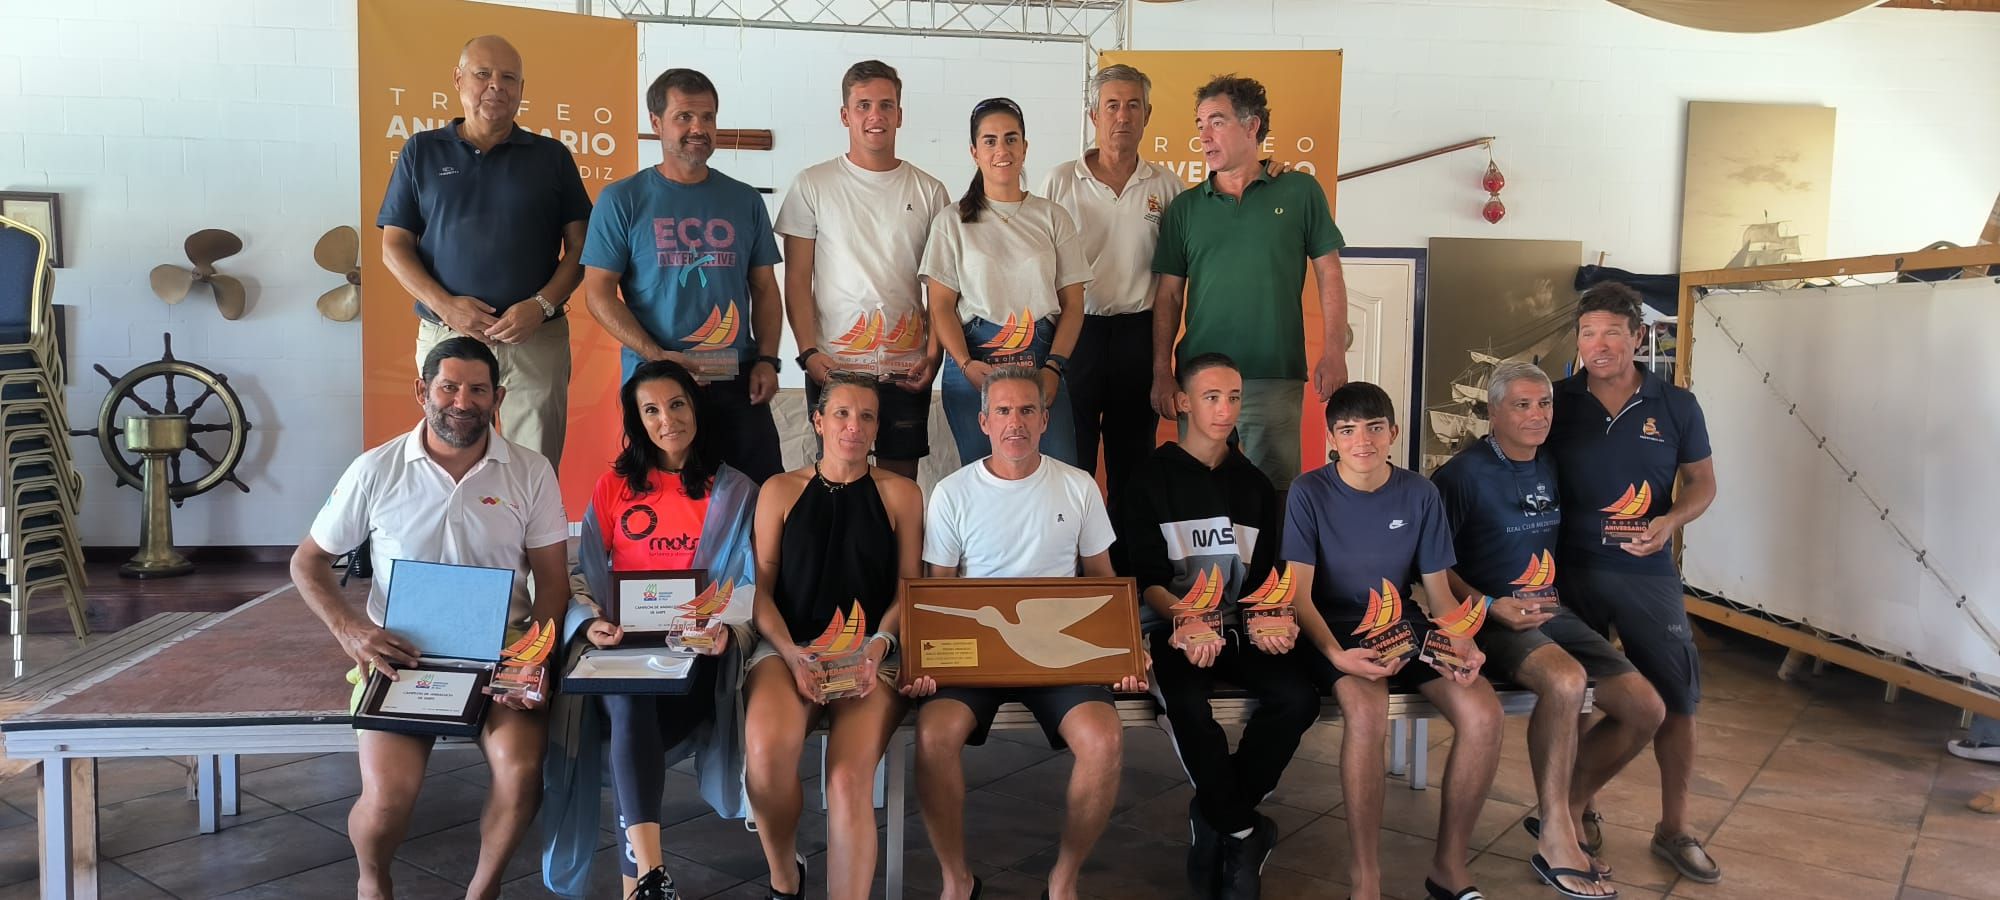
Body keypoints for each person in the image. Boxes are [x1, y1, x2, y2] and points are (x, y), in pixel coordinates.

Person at [292, 337, 569, 900]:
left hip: (501, 652)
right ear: (423, 391)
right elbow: (308, 562)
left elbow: (554, 584)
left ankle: (482, 891)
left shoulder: (531, 471)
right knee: (389, 799)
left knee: (520, 777)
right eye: (448, 387)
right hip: (404, 656)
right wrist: (353, 632)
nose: (461, 402)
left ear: (499, 397)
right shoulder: (376, 469)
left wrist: (531, 660)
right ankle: (373, 880)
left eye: (477, 389)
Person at [907, 368, 1147, 900]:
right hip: (972, 660)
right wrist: (924, 662)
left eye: (1026, 411)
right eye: (1004, 412)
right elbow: (938, 595)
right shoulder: (951, 494)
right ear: (983, 421)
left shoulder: (1079, 485)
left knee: (1104, 740)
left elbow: (1103, 581)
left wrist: (1129, 651)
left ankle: (1063, 880)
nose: (1015, 423)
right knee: (932, 735)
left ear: (1044, 420)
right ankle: (956, 880)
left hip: (1056, 658)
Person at [1433, 360, 1669, 899]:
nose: (1537, 416)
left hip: (1552, 611)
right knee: (1566, 682)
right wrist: (1491, 605)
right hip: (1489, 619)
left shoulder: (1551, 463)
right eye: (1522, 405)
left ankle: (1559, 810)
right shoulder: (1460, 476)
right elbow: (1433, 566)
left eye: (1544, 404)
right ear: (1493, 412)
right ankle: (1558, 839)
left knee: (1646, 708)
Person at [544, 359, 761, 899]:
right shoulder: (614, 486)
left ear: (696, 407)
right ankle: (650, 877)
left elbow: (750, 579)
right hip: (620, 648)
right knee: (622, 695)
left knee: (626, 714)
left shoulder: (735, 491)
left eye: (677, 404)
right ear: (637, 420)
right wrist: (590, 621)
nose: (667, 419)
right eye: (651, 410)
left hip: (695, 661)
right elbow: (580, 575)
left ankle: (642, 882)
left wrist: (725, 630)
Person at [1281, 382, 1502, 900]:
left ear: (1393, 433)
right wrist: (1336, 654)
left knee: (1484, 714)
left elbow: (1439, 594)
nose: (1363, 441)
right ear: (1331, 437)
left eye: (1375, 428)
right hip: (1332, 629)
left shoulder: (1420, 493)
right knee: (1366, 711)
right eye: (1349, 430)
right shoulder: (1308, 492)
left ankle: (1449, 866)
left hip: (1402, 625)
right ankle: (1367, 877)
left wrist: (1463, 642)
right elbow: (1299, 598)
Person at [1112, 352, 1318, 899]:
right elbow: (1144, 576)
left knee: (1299, 697)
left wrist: (1270, 619)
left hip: (1237, 626)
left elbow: (1265, 578)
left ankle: (1218, 815)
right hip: (1171, 628)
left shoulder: (1252, 484)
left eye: (1233, 397)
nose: (1225, 410)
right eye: (1210, 397)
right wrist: (1186, 618)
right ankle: (1245, 831)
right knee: (1186, 706)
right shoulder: (1147, 480)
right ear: (1182, 402)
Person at [1548, 282, 1720, 884]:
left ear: (1638, 337)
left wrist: (1671, 521)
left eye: (1613, 333)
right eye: (1588, 333)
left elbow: (1702, 482)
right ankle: (1579, 811)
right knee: (1573, 698)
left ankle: (1675, 827)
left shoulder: (1676, 405)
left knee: (1677, 699)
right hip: (1567, 571)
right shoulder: (1555, 400)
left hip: (1646, 572)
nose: (1599, 345)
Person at [742, 372, 926, 900]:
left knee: (848, 781)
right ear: (818, 421)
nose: (854, 426)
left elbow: (907, 591)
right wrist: (791, 652)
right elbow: (762, 592)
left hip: (872, 656)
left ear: (877, 429)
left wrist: (877, 648)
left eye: (866, 416)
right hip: (788, 648)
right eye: (842, 414)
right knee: (766, 751)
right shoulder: (779, 491)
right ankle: (784, 877)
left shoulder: (902, 495)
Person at [378, 35, 590, 470]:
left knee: (534, 467)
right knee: (447, 457)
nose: (496, 85)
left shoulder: (552, 157)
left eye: (509, 77)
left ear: (521, 90)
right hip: (447, 334)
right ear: (458, 79)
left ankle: (527, 541)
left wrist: (542, 304)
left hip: (535, 337)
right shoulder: (421, 150)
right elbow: (394, 246)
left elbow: (582, 247)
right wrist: (446, 307)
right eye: (483, 74)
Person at [583, 67, 785, 482]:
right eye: (685, 117)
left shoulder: (744, 200)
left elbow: (764, 288)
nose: (699, 128)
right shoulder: (622, 200)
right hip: (658, 383)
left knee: (760, 495)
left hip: (735, 377)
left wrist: (767, 359)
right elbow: (598, 295)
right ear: (656, 123)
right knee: (668, 497)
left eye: (708, 117)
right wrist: (658, 356)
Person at [1150, 74, 1350, 491]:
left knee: (1274, 494)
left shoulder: (1299, 191)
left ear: (1252, 125)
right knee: (1198, 494)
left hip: (1274, 374)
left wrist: (1333, 350)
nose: (1204, 135)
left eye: (1216, 121)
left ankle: (1271, 563)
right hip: (1199, 377)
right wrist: (1161, 372)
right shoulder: (1185, 208)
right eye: (1200, 124)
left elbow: (1329, 271)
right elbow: (1168, 296)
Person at [776, 60, 952, 480]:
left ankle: (898, 551)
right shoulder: (812, 184)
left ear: (900, 115)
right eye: (863, 105)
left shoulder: (930, 190)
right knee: (837, 479)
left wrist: (934, 355)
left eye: (886, 105)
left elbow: (941, 289)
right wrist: (808, 354)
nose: (876, 116)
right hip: (834, 366)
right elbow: (798, 280)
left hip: (906, 369)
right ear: (845, 114)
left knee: (899, 483)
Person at [920, 97, 1091, 470]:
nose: (1002, 149)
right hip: (974, 366)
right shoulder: (951, 222)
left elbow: (1074, 306)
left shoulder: (1052, 216)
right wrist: (965, 365)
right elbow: (940, 307)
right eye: (991, 140)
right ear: (974, 151)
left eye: (1012, 139)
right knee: (986, 480)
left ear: (1025, 148)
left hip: (1042, 364)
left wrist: (1054, 367)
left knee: (1055, 474)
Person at [1040, 63, 1185, 498]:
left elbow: (1172, 280)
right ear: (1094, 116)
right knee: (1072, 457)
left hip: (1138, 336)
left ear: (1148, 115)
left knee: (1133, 462)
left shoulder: (1167, 184)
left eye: (1133, 106)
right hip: (1075, 333)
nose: (1123, 116)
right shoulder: (1061, 181)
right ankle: (1076, 563)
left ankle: (1127, 563)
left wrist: (1162, 366)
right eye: (1112, 106)